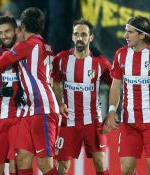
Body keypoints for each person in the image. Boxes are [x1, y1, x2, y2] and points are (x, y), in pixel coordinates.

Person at [0, 7, 59, 175]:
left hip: (42, 107)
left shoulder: (26, 46)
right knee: (22, 159)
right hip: (30, 108)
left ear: (23, 27)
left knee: (45, 163)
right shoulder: (47, 45)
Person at [104, 16, 150, 175]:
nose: (125, 36)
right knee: (126, 169)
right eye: (125, 31)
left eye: (130, 32)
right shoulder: (121, 55)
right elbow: (115, 85)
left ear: (142, 35)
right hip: (129, 121)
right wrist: (113, 109)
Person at [52, 19, 112, 175]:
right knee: (62, 167)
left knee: (100, 162)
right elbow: (55, 83)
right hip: (68, 120)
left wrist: (112, 111)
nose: (79, 38)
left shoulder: (101, 63)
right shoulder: (61, 59)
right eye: (76, 34)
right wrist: (59, 103)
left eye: (83, 34)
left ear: (90, 38)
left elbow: (116, 85)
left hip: (93, 121)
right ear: (72, 37)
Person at [0, 16, 28, 175]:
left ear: (16, 31)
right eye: (1, 32)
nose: (4, 35)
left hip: (19, 116)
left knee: (17, 164)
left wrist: (23, 91)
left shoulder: (25, 52)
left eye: (8, 31)